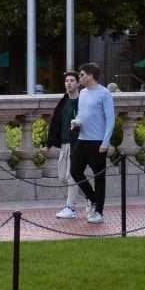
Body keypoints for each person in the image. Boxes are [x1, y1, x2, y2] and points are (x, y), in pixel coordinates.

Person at [58, 65, 115, 225]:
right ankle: (93, 199)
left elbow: (110, 119)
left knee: (99, 177)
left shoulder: (104, 94)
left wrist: (106, 141)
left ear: (90, 76)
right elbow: (82, 114)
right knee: (75, 171)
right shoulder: (82, 93)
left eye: (82, 75)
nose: (79, 77)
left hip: (98, 142)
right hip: (82, 139)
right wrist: (76, 123)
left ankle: (99, 212)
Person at [47, 73, 82, 216]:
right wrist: (49, 143)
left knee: (71, 176)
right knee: (63, 176)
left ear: (78, 84)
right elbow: (55, 122)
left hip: (77, 144)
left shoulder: (81, 101)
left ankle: (70, 207)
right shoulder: (63, 101)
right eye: (67, 81)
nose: (69, 83)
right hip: (64, 143)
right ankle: (91, 198)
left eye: (72, 80)